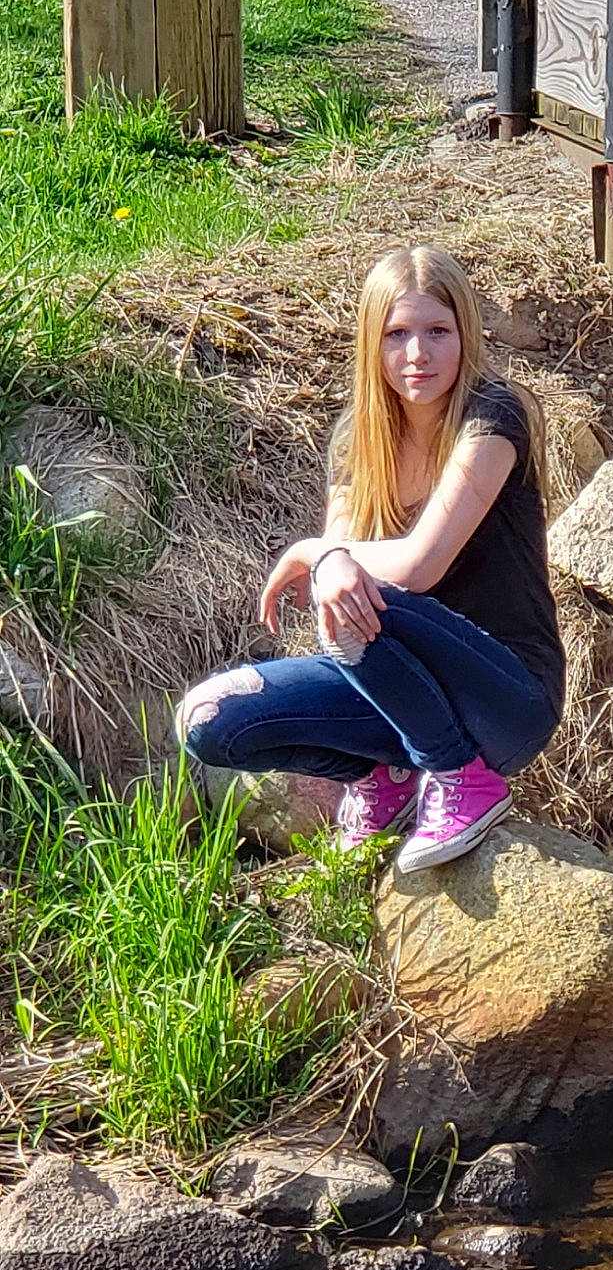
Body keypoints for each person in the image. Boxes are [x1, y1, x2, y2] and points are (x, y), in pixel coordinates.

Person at [176, 245, 565, 873]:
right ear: (372, 344)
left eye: (438, 331)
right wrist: (329, 559)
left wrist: (314, 552)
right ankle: (383, 777)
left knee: (352, 593)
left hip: (505, 695)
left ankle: (461, 776)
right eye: (398, 335)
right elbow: (342, 567)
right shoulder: (358, 441)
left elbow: (418, 566)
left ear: (465, 333)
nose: (418, 354)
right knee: (210, 720)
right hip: (397, 693)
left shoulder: (493, 417)